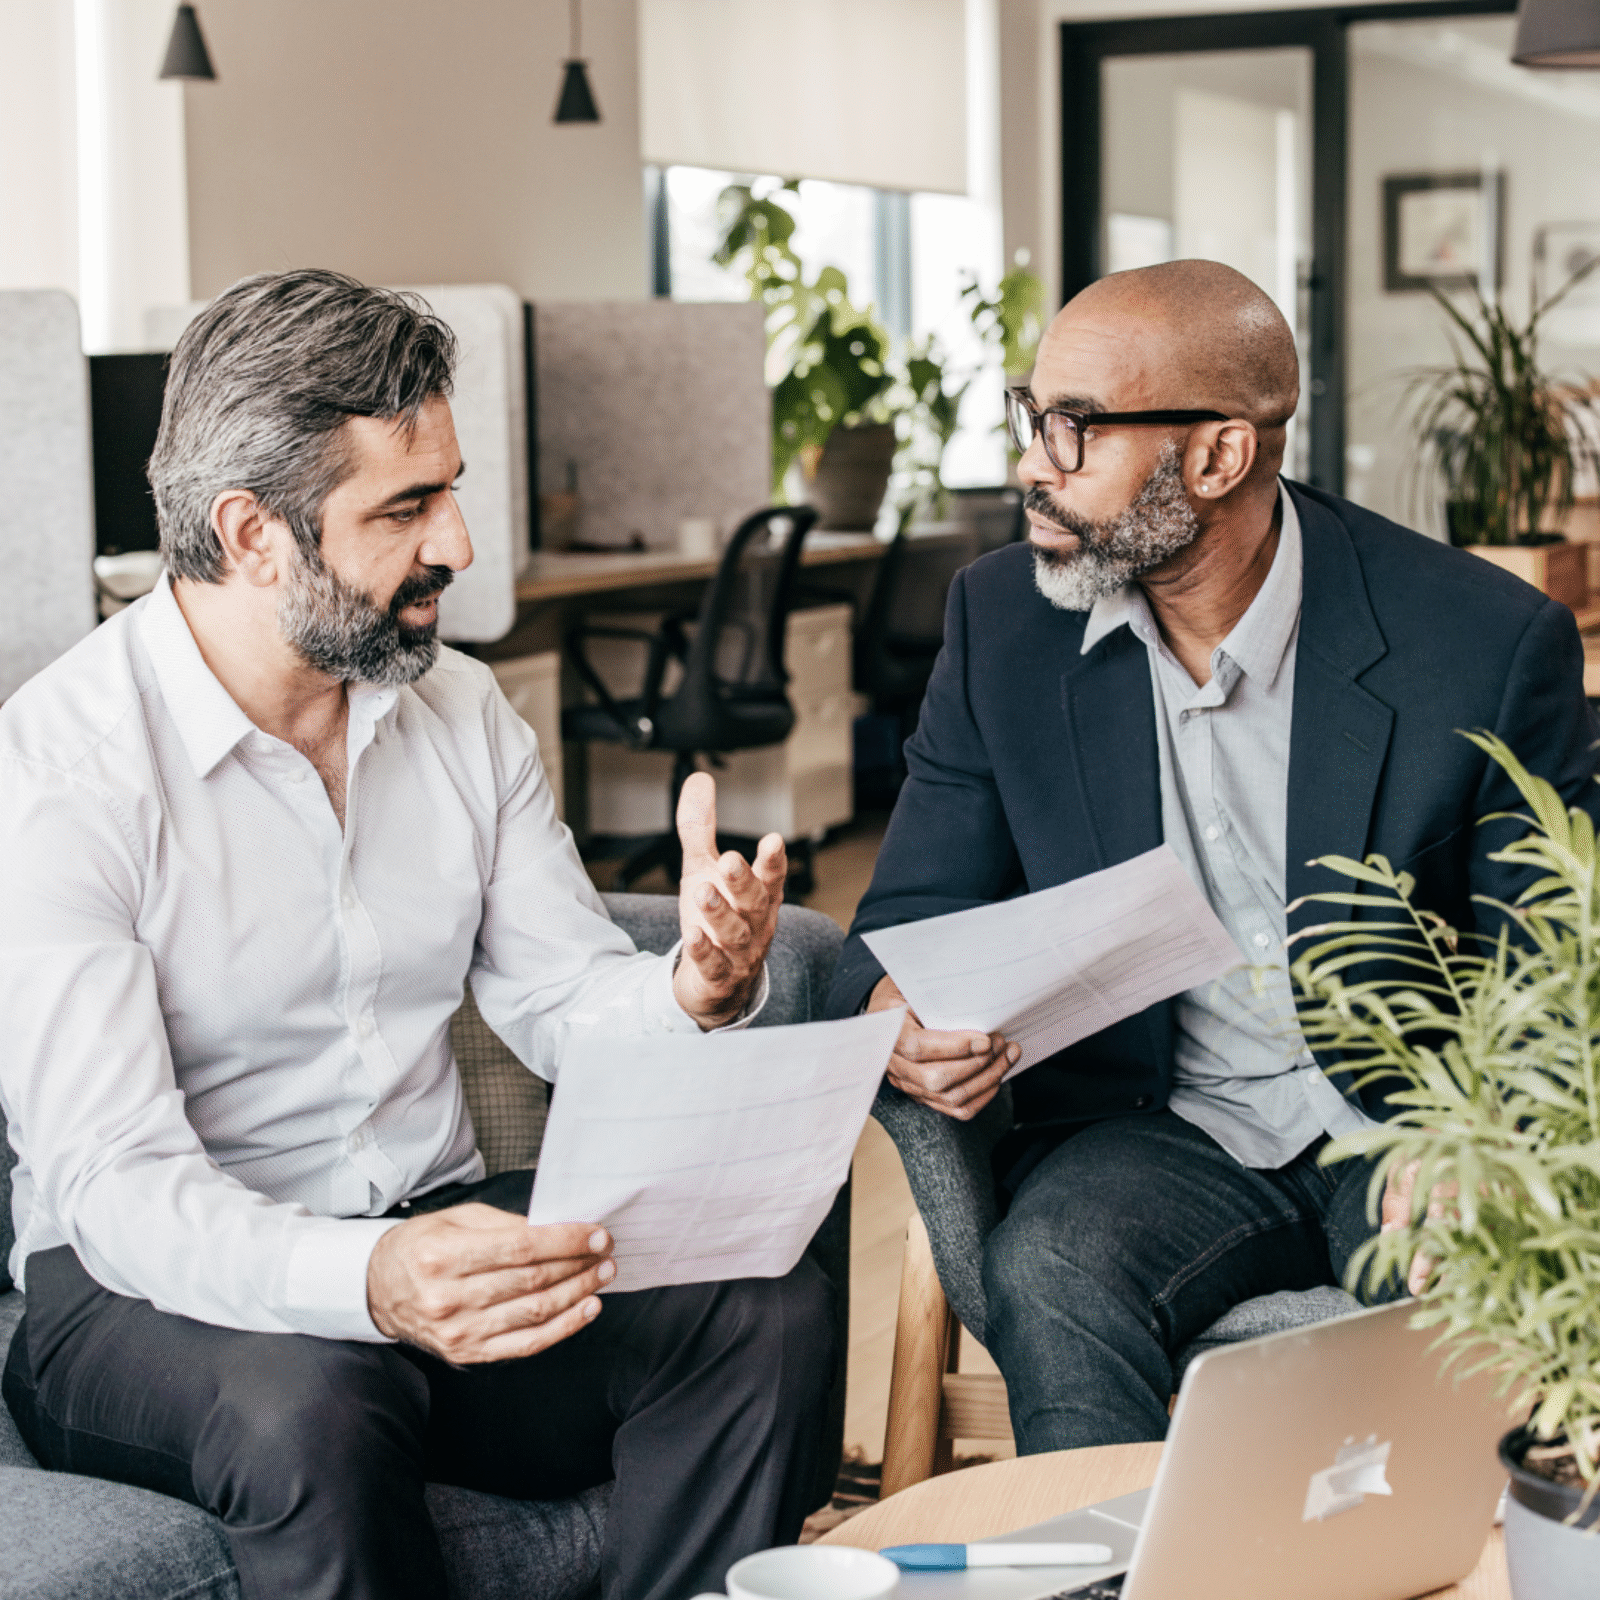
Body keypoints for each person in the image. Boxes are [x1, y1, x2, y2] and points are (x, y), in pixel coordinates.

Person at [0, 269, 834, 1600]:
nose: (457, 543)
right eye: (405, 507)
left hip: (430, 1222)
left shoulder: (458, 709)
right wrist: (371, 1278)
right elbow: (117, 1188)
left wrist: (693, 984)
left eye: (449, 489)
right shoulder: (62, 773)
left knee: (758, 1301)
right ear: (251, 532)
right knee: (316, 1405)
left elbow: (558, 993)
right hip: (147, 1295)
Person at [827, 259, 1600, 1454]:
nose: (1033, 464)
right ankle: (1097, 1574)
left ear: (1219, 457)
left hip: (1408, 1123)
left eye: (1074, 430)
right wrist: (899, 1009)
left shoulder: (1482, 642)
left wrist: (1479, 1143)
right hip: (1160, 1122)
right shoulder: (1002, 626)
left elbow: (1558, 965)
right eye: (1032, 418)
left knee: (1474, 1287)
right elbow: (905, 913)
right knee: (1048, 1265)